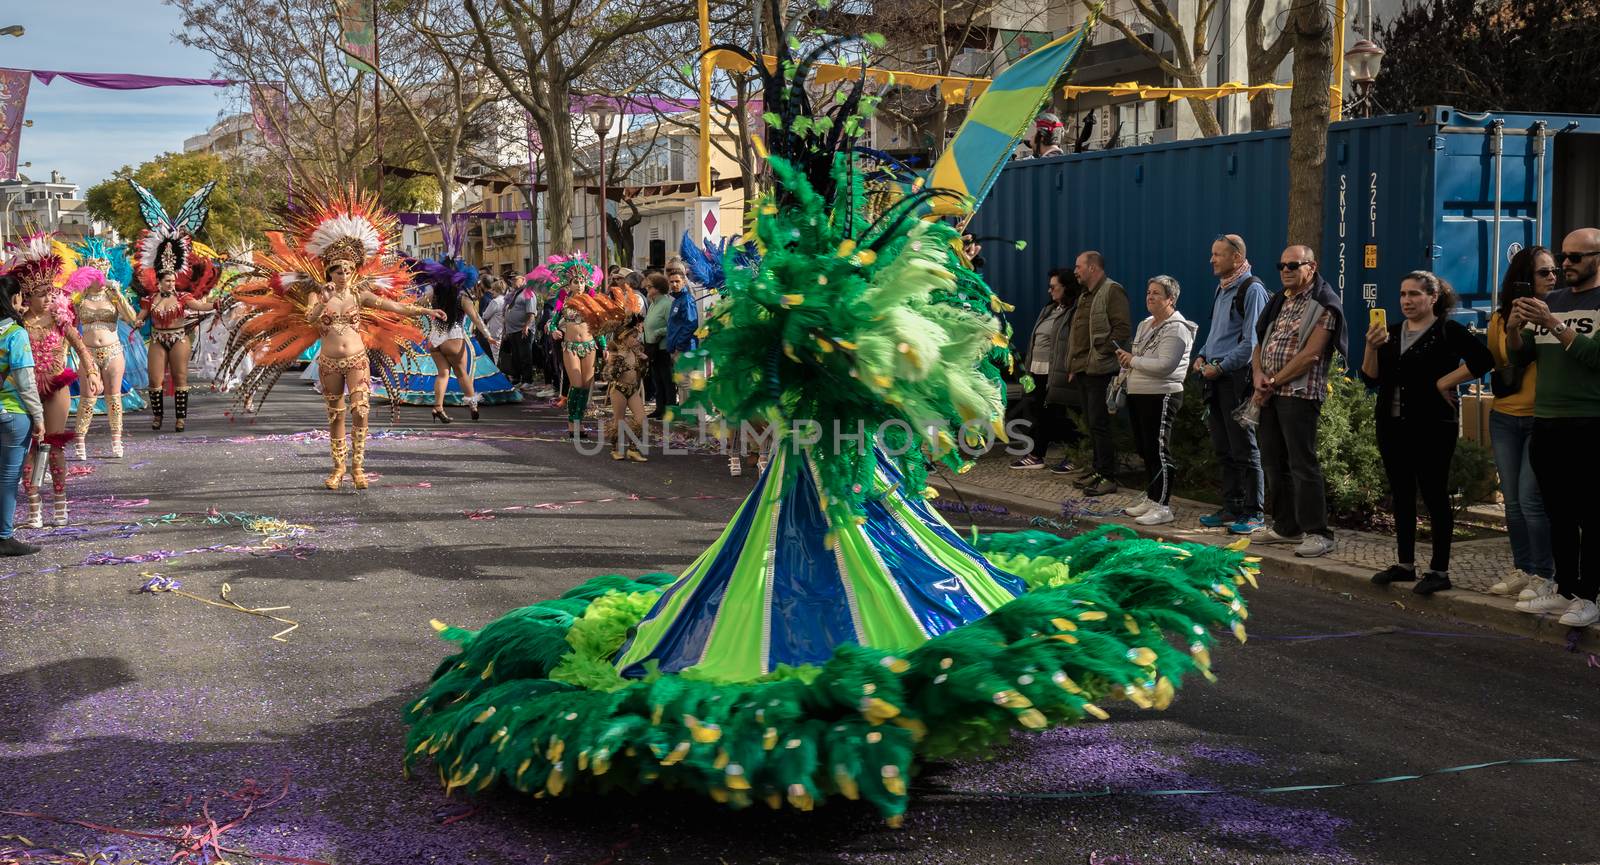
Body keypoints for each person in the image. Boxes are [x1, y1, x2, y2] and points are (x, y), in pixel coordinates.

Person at [403, 27, 1255, 821]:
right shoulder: (805, 307)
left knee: (877, 538)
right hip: (817, 469)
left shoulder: (846, 302)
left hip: (848, 466)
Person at [221, 189, 445, 490]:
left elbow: (394, 306)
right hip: (329, 362)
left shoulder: (360, 295)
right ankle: (338, 467)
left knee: (361, 410)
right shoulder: (318, 294)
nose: (343, 274)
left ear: (355, 271)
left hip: (357, 359)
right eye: (338, 270)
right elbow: (311, 318)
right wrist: (321, 301)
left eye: (348, 269)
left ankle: (358, 467)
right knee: (336, 414)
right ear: (329, 271)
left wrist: (423, 309)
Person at [1361, 272, 1493, 594]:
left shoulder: (1447, 331)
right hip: (1392, 424)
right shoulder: (1389, 333)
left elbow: (1484, 359)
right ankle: (1405, 564)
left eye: (1415, 294)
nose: (1407, 300)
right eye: (1403, 294)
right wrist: (1370, 346)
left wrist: (1445, 382)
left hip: (1433, 425)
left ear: (1433, 298)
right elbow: (1370, 379)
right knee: (1401, 494)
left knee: (1434, 495)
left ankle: (1439, 570)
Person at [1508, 227, 1600, 627]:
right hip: (1546, 422)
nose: (1565, 265)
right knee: (1558, 513)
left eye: (1575, 258)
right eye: (1564, 257)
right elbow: (1523, 355)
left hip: (1589, 421)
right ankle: (1565, 590)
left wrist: (1555, 324)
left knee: (1591, 514)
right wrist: (1514, 327)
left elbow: (1595, 358)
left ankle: (1590, 595)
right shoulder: (1554, 300)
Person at [1250, 245, 1346, 558]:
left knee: (1302, 464)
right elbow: (1260, 342)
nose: (1286, 270)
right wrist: (1258, 376)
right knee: (1273, 463)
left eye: (1294, 264)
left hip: (1299, 394)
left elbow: (1311, 354)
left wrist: (1274, 381)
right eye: (1281, 265)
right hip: (1269, 392)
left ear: (1312, 266)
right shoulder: (1279, 300)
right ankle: (1285, 527)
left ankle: (1318, 532)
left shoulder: (1325, 303)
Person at [11, 235, 102, 528]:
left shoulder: (60, 319)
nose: (49, 297)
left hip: (56, 387)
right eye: (41, 293)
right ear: (27, 296)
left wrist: (91, 371)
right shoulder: (17, 323)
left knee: (54, 445)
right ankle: (34, 510)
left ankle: (60, 506)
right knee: (29, 447)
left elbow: (80, 346)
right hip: (25, 391)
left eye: (50, 292)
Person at [1484, 247, 1558, 599]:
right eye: (1543, 273)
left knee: (1531, 499)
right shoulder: (1500, 319)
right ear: (1523, 278)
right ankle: (1523, 568)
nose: (1553, 277)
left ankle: (1545, 574)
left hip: (1542, 417)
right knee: (1511, 501)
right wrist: (1514, 328)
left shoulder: (1561, 313)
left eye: (1554, 271)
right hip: (1504, 416)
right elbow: (1500, 361)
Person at [126, 179, 223, 433]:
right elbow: (141, 314)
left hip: (179, 338)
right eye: (166, 279)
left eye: (172, 279)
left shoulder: (182, 298)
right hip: (158, 339)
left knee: (181, 379)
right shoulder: (151, 299)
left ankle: (180, 418)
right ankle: (157, 417)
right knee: (155, 381)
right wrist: (136, 320)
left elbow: (200, 306)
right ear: (158, 280)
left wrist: (217, 304)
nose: (170, 282)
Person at [1193, 234, 1270, 534]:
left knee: (1244, 447)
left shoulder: (1253, 290)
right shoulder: (1222, 287)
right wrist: (1202, 355)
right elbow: (1218, 334)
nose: (1211, 259)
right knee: (1223, 447)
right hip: (1215, 378)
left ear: (1237, 258)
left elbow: (1252, 342)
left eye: (1218, 254)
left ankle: (1254, 513)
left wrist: (1221, 366)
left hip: (1236, 380)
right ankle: (1232, 507)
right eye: (1212, 254)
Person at [1118, 276, 1197, 526]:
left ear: (1170, 299)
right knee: (1145, 449)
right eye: (1148, 292)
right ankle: (1151, 498)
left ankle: (1163, 505)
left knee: (1159, 450)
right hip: (1138, 393)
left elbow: (1165, 366)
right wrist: (1126, 367)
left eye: (1156, 294)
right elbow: (1138, 354)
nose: (1150, 297)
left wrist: (1132, 361)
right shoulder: (1145, 324)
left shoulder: (1177, 328)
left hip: (1162, 394)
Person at [1063, 250, 1130, 496]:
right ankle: (1097, 470)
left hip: (1100, 371)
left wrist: (1102, 352)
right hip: (1083, 370)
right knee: (1092, 424)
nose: (1075, 271)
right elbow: (1078, 334)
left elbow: (1121, 328)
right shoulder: (1084, 295)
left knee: (1100, 424)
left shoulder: (1112, 291)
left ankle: (1108, 476)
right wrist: (1073, 365)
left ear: (1093, 268)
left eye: (1078, 266)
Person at [1010, 267, 1079, 470]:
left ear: (1066, 288)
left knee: (1061, 415)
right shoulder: (1049, 309)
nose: (1050, 291)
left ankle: (1072, 456)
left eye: (1053, 287)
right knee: (1042, 412)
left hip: (1056, 371)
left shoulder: (1073, 311)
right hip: (1038, 370)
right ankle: (1037, 455)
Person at [66, 266, 138, 459]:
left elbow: (132, 318)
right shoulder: (79, 298)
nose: (101, 279)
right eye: (96, 275)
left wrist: (119, 295)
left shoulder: (113, 295)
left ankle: (116, 440)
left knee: (113, 398)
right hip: (87, 353)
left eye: (103, 275)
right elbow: (69, 327)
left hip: (113, 351)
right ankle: (80, 441)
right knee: (87, 399)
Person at [534, 253, 604, 439]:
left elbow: (598, 328)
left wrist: (604, 347)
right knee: (576, 383)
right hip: (571, 347)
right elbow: (552, 323)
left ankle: (580, 422)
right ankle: (572, 422)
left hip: (589, 346)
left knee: (586, 386)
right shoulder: (563, 302)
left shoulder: (592, 302)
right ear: (569, 284)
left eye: (582, 281)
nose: (579, 285)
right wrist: (554, 330)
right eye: (575, 281)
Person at [0, 275, 45, 556]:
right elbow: (26, 381)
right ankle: (4, 536)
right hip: (13, 416)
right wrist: (39, 417)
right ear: (14, 299)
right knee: (7, 478)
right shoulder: (15, 334)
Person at [420, 260, 497, 423]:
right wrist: (488, 335)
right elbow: (475, 318)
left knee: (442, 374)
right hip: (453, 338)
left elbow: (416, 306)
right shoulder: (462, 298)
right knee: (462, 373)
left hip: (434, 339)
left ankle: (438, 407)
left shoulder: (432, 293)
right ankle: (473, 406)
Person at [663, 263, 700, 415]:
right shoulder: (676, 300)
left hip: (685, 349)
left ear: (684, 281)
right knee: (682, 382)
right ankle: (687, 414)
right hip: (677, 349)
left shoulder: (687, 299)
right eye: (671, 282)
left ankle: (696, 414)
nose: (674, 284)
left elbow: (691, 325)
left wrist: (678, 346)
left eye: (677, 281)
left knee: (688, 383)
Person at [642, 272, 674, 418]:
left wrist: (658, 332)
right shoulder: (653, 304)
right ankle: (659, 408)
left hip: (663, 348)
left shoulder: (666, 304)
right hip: (652, 347)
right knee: (657, 379)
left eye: (650, 287)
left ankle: (670, 409)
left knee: (666, 380)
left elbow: (672, 327)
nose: (647, 289)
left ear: (658, 288)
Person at [479, 275, 506, 363]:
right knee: (499, 354)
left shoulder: (495, 302)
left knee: (494, 356)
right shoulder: (506, 300)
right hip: (501, 329)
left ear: (497, 290)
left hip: (493, 331)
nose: (492, 292)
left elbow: (485, 315)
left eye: (493, 290)